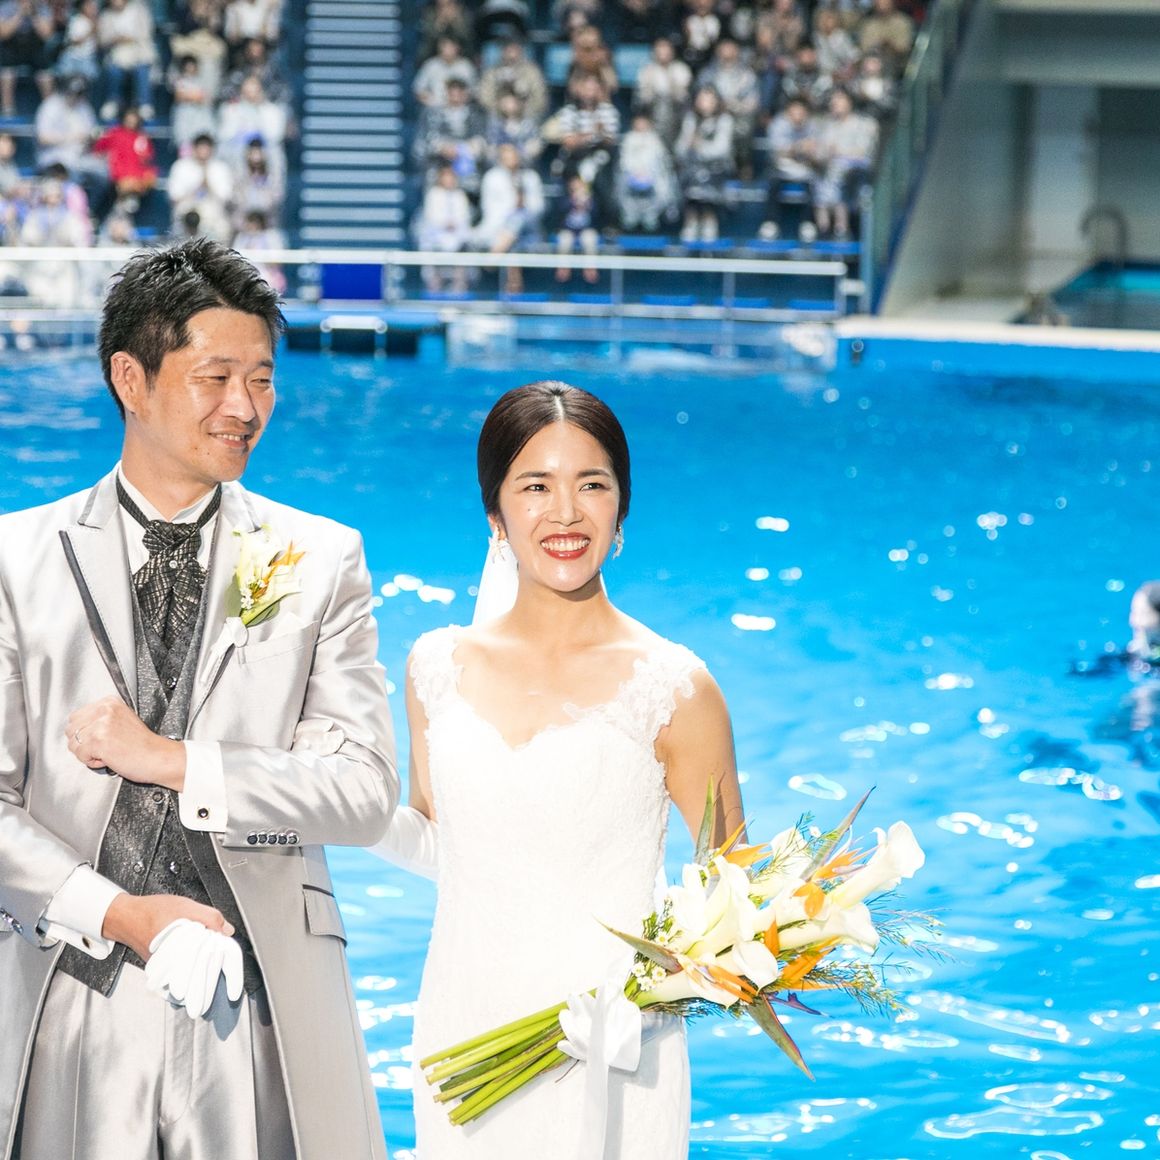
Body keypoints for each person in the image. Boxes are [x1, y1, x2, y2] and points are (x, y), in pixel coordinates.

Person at [0, 237, 399, 1160]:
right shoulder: (15, 560)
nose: (244, 408)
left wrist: (179, 764)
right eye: (215, 378)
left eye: (261, 380)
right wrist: (120, 913)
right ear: (130, 379)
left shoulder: (320, 558)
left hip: (264, 1004)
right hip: (67, 983)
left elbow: (365, 791)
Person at [373, 380, 744, 1158]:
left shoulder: (676, 688)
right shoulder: (434, 667)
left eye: (592, 485)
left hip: (615, 1042)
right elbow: (440, 840)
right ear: (495, 511)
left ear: (621, 509)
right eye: (536, 486)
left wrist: (660, 986)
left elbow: (735, 889)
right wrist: (332, 810)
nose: (566, 513)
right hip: (462, 1032)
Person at [473, 140, 544, 293]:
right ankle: (514, 286)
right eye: (506, 155)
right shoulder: (492, 177)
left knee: (519, 218)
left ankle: (492, 259)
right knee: (513, 241)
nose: (510, 158)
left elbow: (539, 209)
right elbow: (488, 208)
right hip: (498, 227)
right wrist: (511, 208)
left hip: (527, 229)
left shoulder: (531, 177)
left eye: (513, 154)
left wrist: (522, 206)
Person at [675, 84, 734, 241]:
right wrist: (688, 145)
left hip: (716, 167)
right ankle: (691, 222)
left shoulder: (724, 120)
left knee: (705, 178)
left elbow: (722, 150)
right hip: (692, 166)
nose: (705, 103)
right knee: (690, 177)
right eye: (702, 99)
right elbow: (680, 148)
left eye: (709, 99)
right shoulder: (690, 119)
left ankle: (709, 222)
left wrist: (700, 147)